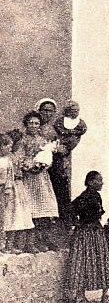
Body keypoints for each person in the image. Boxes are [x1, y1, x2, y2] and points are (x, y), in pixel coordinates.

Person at [65, 171, 109, 303]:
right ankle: (80, 298)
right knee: (84, 264)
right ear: (90, 182)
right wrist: (76, 223)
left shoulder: (96, 196)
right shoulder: (85, 196)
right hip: (86, 234)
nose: (101, 183)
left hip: (96, 233)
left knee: (102, 262)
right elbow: (69, 209)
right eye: (99, 180)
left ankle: (105, 298)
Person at [14, 111, 59, 251]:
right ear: (26, 125)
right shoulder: (22, 141)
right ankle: (29, 243)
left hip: (41, 179)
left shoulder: (43, 140)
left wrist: (44, 164)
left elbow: (48, 157)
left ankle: (42, 241)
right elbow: (18, 158)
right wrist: (29, 165)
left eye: (36, 123)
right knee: (31, 211)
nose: (34, 126)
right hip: (29, 179)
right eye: (31, 123)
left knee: (44, 211)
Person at [49, 101, 87, 233]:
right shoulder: (59, 123)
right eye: (72, 109)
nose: (75, 112)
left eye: (77, 109)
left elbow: (71, 142)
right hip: (54, 155)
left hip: (63, 156)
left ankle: (66, 222)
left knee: (62, 190)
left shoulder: (80, 125)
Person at [1, 133, 34, 253]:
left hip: (17, 187)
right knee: (9, 216)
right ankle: (7, 245)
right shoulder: (7, 159)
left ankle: (17, 244)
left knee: (18, 215)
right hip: (9, 188)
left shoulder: (15, 158)